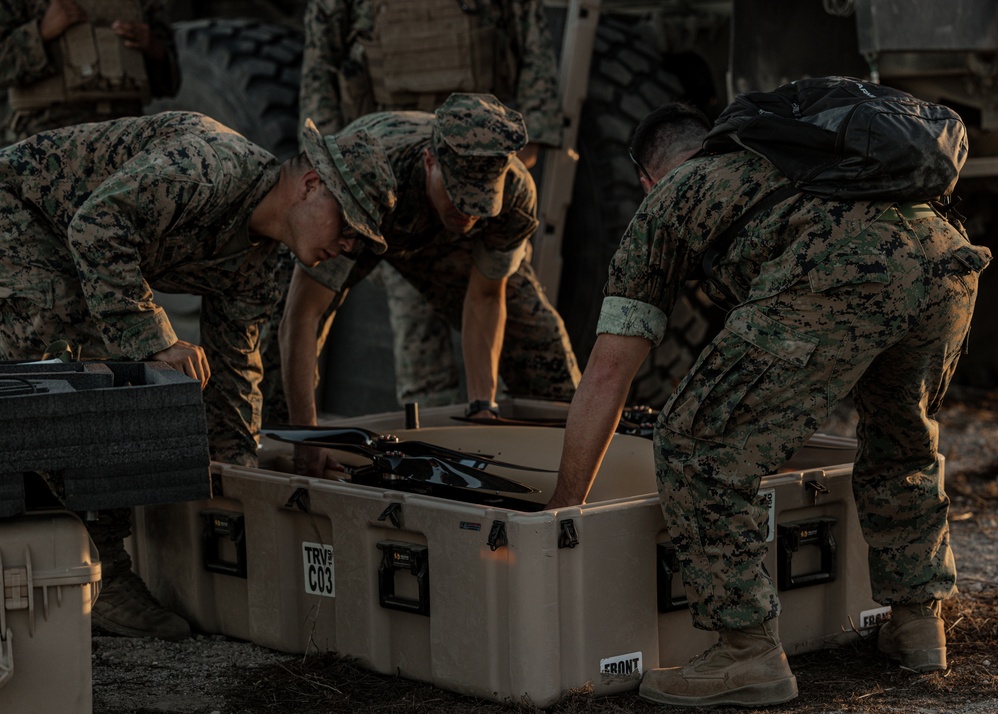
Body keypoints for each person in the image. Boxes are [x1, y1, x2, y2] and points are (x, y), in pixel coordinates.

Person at [545, 102, 991, 707]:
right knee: (901, 435)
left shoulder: (671, 199)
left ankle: (745, 653)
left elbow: (608, 373)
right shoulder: (785, 159)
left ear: (647, 178)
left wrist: (562, 511)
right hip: (945, 256)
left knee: (697, 440)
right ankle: (917, 621)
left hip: (848, 267)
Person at [0, 109, 395, 640]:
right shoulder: (206, 169)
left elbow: (235, 369)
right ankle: (103, 572)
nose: (347, 247)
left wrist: (237, 481)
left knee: (112, 352)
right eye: (347, 226)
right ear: (310, 184)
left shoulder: (260, 264)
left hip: (63, 236)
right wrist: (156, 340)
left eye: (358, 241)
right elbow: (96, 227)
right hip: (18, 209)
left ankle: (76, 552)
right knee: (86, 356)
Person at [280, 92, 580, 477]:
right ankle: (273, 461)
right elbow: (303, 314)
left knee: (542, 345)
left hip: (445, 244)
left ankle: (566, 466)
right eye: (460, 200)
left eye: (481, 203)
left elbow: (486, 296)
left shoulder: (515, 197)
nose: (470, 213)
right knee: (279, 343)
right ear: (429, 162)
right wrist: (307, 436)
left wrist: (481, 407)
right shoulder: (370, 169)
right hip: (373, 213)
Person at [287, 0, 564, 412]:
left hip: (480, 161)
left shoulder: (507, 192)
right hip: (375, 193)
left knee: (540, 347)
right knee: (419, 349)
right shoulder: (375, 171)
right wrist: (335, 181)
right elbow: (320, 68)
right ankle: (428, 446)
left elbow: (534, 53)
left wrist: (491, 176)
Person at [0, 0, 180, 141]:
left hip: (127, 133)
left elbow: (171, 83)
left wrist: (153, 48)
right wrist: (40, 33)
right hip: (50, 137)